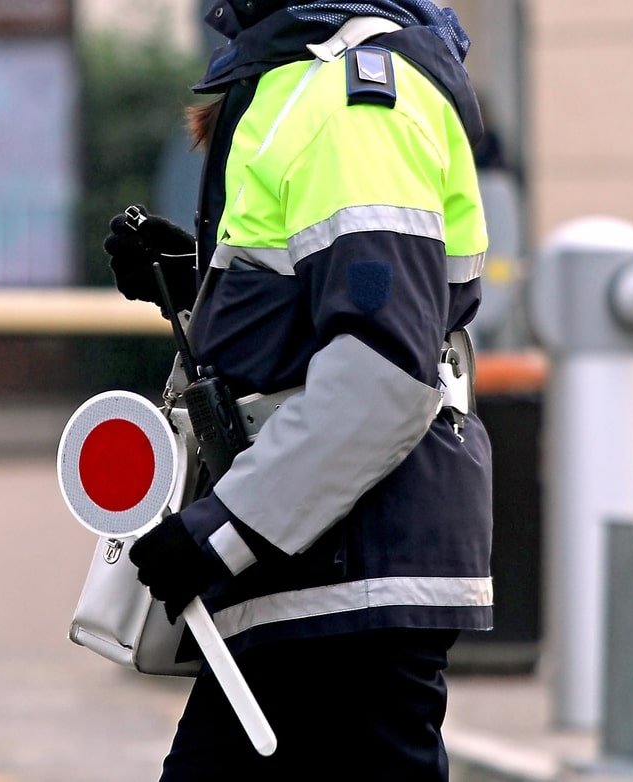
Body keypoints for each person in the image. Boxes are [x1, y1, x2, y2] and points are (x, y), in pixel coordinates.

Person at [102, 1, 493, 778]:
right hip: (323, 577)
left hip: (344, 581)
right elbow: (326, 310)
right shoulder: (307, 79)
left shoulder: (353, 100)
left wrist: (222, 530)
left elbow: (385, 372)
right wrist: (197, 284)